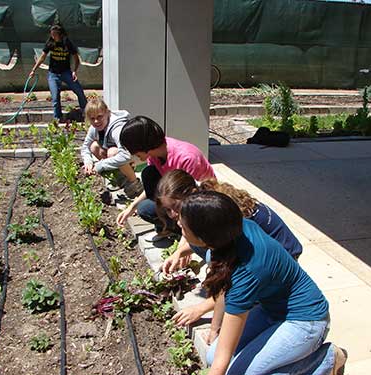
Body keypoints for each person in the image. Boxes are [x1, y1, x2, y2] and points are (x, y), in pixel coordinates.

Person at [175, 191, 347, 375]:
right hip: (271, 309)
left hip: (306, 320)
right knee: (212, 356)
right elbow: (199, 247)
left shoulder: (247, 272)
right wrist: (178, 253)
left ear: (205, 238)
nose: (178, 224)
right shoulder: (234, 228)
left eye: (184, 227)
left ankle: (326, 360)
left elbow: (221, 363)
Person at [157, 169, 302, 274]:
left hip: (286, 256)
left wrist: (202, 307)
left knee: (210, 253)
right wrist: (178, 253)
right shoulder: (208, 199)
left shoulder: (216, 212)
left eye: (176, 207)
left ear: (193, 194)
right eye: (167, 210)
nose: (173, 215)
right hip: (278, 249)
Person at [116, 115, 215, 241]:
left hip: (203, 202)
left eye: (134, 151)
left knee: (149, 206)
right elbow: (155, 188)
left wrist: (182, 249)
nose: (133, 155)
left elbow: (192, 201)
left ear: (144, 146)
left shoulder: (187, 158)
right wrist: (131, 208)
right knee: (146, 199)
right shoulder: (154, 154)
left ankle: (191, 234)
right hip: (176, 196)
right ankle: (169, 228)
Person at [80, 98, 143, 198]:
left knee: (113, 153)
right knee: (94, 146)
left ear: (107, 113)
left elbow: (125, 155)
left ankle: (134, 184)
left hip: (139, 155)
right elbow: (85, 147)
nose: (96, 121)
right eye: (92, 118)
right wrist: (88, 162)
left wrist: (100, 165)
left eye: (99, 116)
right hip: (123, 155)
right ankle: (120, 178)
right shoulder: (94, 128)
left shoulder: (117, 127)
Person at [29, 24, 87, 121]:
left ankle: (85, 112)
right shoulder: (50, 42)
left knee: (79, 91)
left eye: (54, 34)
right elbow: (42, 57)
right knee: (55, 96)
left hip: (66, 72)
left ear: (59, 34)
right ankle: (57, 118)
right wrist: (33, 70)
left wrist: (74, 71)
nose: (52, 36)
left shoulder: (67, 42)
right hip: (53, 74)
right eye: (51, 34)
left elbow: (76, 59)